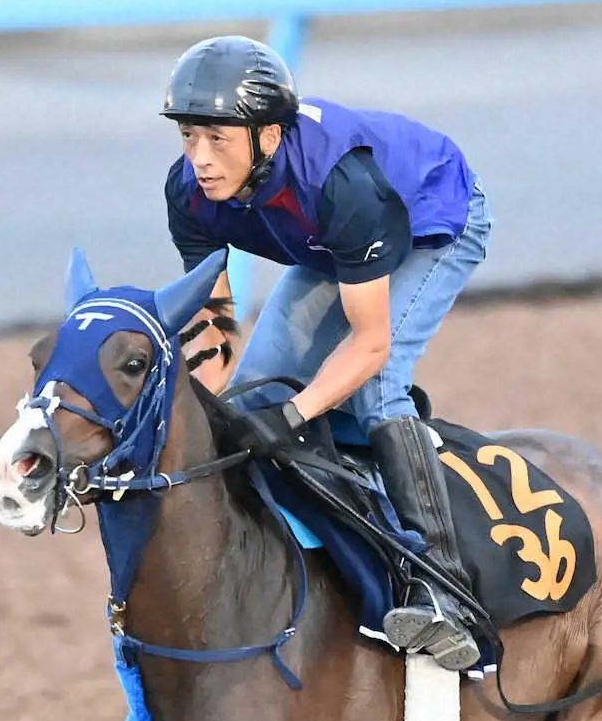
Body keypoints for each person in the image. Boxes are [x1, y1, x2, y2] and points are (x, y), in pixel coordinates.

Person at [161, 34, 491, 672]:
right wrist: (229, 408)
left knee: (375, 387)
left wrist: (292, 416)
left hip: (429, 218)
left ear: (268, 136)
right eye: (188, 136)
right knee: (254, 395)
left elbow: (369, 344)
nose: (200, 159)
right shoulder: (187, 192)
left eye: (217, 139)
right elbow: (215, 320)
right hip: (329, 246)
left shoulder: (343, 185)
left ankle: (443, 589)